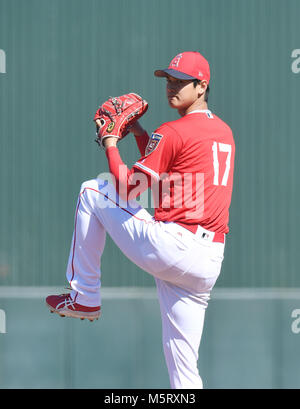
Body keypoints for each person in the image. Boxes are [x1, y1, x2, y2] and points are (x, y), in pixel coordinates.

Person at [46, 51, 235, 389]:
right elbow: (171, 172)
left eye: (180, 81)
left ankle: (85, 295)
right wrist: (138, 132)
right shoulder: (222, 132)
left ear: (202, 85)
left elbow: (131, 188)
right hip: (207, 262)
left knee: (93, 190)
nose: (171, 86)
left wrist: (110, 141)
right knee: (184, 371)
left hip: (175, 246)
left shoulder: (174, 131)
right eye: (168, 79)